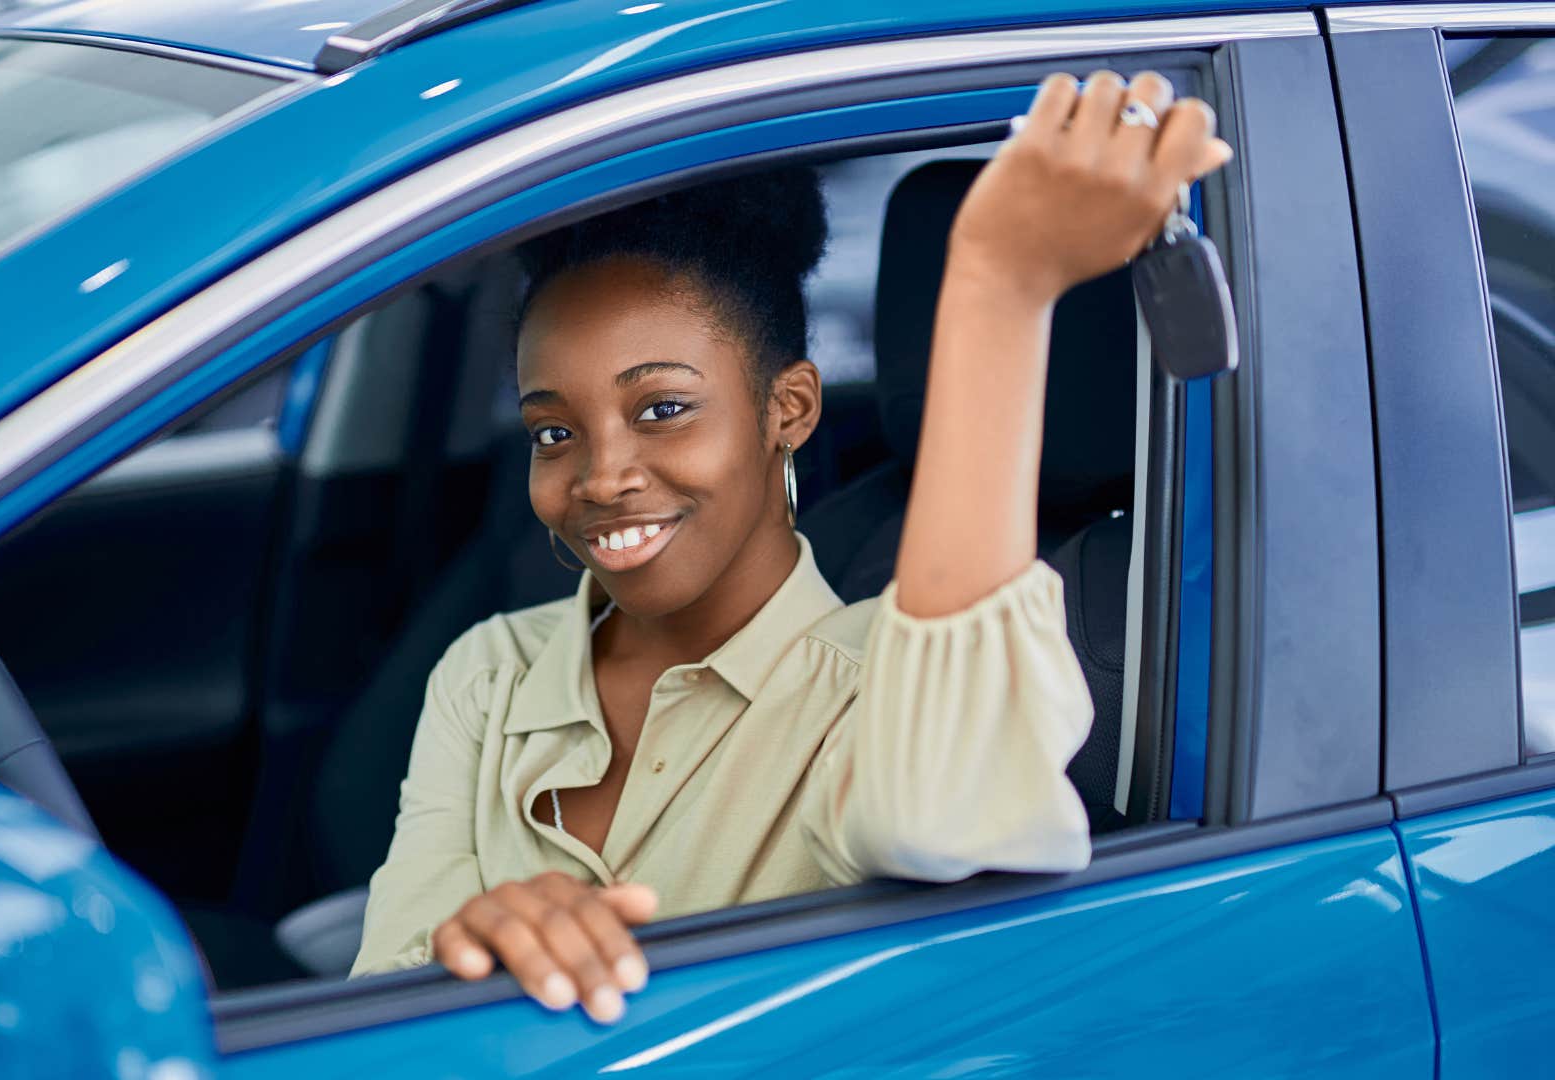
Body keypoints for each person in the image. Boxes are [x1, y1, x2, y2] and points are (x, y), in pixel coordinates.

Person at [351, 70, 1233, 1022]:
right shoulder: (491, 674)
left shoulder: (869, 692)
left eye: (663, 409)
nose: (600, 477)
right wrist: (475, 934)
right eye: (554, 433)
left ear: (790, 408)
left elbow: (937, 811)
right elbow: (376, 999)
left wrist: (1001, 284)